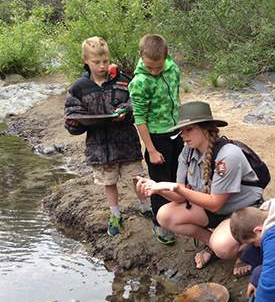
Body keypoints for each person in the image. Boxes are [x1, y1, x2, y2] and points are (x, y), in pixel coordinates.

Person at [137, 101, 264, 270]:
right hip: (213, 210)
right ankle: (210, 242)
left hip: (242, 212)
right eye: (181, 130)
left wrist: (176, 187)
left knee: (223, 248)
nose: (183, 135)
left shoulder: (228, 156)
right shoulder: (187, 152)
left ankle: (248, 250)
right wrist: (158, 188)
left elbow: (215, 202)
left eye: (189, 129)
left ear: (206, 128)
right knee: (164, 215)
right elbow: (181, 198)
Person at [64, 36, 150, 237]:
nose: (102, 66)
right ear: (85, 59)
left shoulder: (124, 81)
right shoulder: (79, 87)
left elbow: (135, 102)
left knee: (137, 177)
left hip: (126, 140)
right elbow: (72, 113)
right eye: (96, 62)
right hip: (99, 146)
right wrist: (73, 123)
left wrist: (126, 111)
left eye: (105, 61)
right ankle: (115, 214)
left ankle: (146, 207)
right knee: (109, 182)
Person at [128, 34, 183, 245]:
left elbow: (177, 97)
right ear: (141, 57)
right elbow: (139, 118)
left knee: (178, 175)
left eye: (158, 67)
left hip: (177, 130)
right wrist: (150, 149)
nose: (154, 71)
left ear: (166, 57)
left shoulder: (173, 69)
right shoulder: (139, 82)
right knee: (159, 181)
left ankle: (178, 212)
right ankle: (159, 221)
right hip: (156, 138)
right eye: (149, 67)